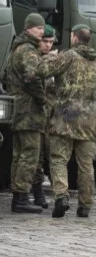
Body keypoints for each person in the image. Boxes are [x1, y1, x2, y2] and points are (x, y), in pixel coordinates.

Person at [37, 24, 96, 218]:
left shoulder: (67, 56)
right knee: (86, 164)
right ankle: (85, 205)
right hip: (88, 121)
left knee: (59, 159)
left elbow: (42, 70)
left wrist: (51, 56)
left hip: (66, 116)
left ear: (75, 38)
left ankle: (62, 196)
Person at [5, 13, 47, 213]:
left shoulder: (16, 48)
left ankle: (18, 195)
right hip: (30, 110)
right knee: (29, 154)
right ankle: (21, 197)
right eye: (38, 28)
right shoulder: (29, 50)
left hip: (18, 109)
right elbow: (33, 77)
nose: (42, 31)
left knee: (18, 154)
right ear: (29, 28)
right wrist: (42, 98)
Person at [29, 24, 57, 209]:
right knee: (36, 156)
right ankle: (38, 193)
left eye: (50, 42)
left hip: (53, 117)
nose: (47, 45)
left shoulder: (57, 60)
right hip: (37, 114)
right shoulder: (33, 60)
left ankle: (59, 194)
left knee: (54, 156)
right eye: (44, 41)